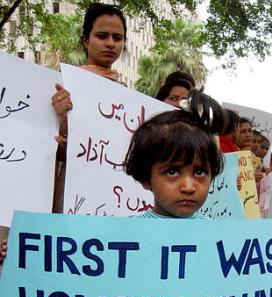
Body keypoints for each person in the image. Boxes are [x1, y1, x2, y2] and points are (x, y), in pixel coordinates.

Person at [51, 2, 128, 213]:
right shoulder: (62, 84)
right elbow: (43, 145)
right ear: (86, 40)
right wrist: (60, 122)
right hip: (71, 189)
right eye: (102, 36)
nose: (110, 43)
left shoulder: (128, 97)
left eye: (117, 38)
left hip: (114, 193)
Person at [124, 89, 227, 218]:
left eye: (199, 172)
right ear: (146, 178)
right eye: (172, 172)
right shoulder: (127, 233)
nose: (188, 188)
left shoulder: (217, 233)